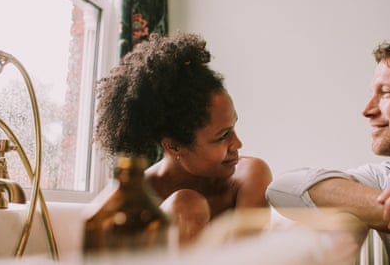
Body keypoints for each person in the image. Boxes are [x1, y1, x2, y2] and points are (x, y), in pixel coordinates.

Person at [265, 33, 390, 265]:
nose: (367, 110)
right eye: (372, 94)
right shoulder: (386, 182)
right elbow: (284, 189)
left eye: (386, 93)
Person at [95, 32, 273, 246]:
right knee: (186, 203)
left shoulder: (249, 176)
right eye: (222, 136)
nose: (238, 144)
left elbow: (244, 259)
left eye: (233, 127)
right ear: (174, 146)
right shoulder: (137, 193)